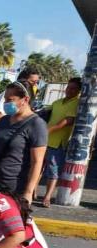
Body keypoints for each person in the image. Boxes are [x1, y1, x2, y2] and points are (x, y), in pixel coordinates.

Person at [0, 80, 48, 203]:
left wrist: (28, 192)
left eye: (10, 100)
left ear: (25, 99)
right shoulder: (4, 120)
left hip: (15, 189)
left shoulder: (36, 124)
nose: (5, 103)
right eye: (5, 100)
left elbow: (37, 162)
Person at [41, 77, 81, 207]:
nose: (69, 90)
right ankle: (32, 193)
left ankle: (47, 197)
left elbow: (67, 122)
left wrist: (48, 130)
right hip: (43, 140)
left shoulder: (76, 103)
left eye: (73, 88)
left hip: (58, 143)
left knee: (53, 172)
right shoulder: (57, 102)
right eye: (68, 87)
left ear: (79, 90)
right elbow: (45, 112)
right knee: (37, 168)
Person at [0, 67, 40, 133]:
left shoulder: (26, 98)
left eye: (37, 83)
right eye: (33, 82)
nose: (35, 85)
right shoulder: (8, 94)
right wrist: (21, 123)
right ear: (23, 81)